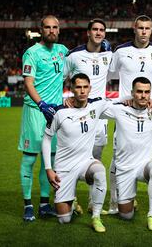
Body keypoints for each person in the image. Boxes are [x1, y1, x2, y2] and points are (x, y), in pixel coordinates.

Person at [108, 15, 152, 214]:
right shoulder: (121, 51)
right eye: (140, 28)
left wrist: (150, 96)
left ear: (151, 30)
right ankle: (114, 202)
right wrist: (123, 98)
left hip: (148, 111)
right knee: (118, 158)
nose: (144, 31)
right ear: (134, 29)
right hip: (125, 113)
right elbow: (112, 74)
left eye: (147, 28)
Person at [100, 77, 152, 231]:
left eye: (147, 92)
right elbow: (96, 105)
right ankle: (129, 200)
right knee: (126, 215)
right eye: (139, 92)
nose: (143, 95)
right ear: (132, 93)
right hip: (125, 168)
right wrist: (123, 99)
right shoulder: (119, 109)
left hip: (144, 165)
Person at [42, 73, 109, 232]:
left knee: (99, 172)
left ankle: (96, 217)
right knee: (64, 220)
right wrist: (48, 169)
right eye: (78, 87)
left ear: (90, 88)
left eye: (85, 87)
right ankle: (70, 201)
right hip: (64, 168)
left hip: (86, 162)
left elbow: (123, 103)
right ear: (71, 89)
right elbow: (46, 139)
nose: (82, 91)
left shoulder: (97, 105)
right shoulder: (59, 112)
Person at [18, 15, 68, 221]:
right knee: (30, 158)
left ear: (59, 29)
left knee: (52, 160)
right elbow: (28, 83)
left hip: (55, 114)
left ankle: (44, 204)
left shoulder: (62, 51)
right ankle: (28, 205)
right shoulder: (32, 53)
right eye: (47, 27)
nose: (51, 31)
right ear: (41, 30)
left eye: (55, 27)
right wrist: (41, 104)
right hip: (35, 111)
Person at [64, 18, 113, 214]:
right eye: (95, 29)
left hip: (99, 115)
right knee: (74, 158)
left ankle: (95, 203)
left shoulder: (109, 55)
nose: (98, 33)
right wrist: (66, 98)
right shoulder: (74, 55)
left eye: (102, 30)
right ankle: (71, 200)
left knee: (97, 159)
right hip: (78, 114)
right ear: (88, 32)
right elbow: (62, 78)